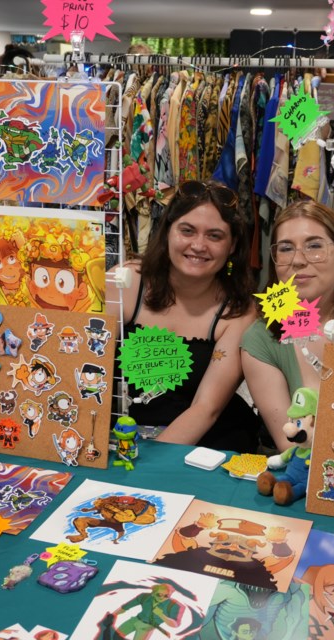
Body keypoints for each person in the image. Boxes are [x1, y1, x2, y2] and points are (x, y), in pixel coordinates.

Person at [116, 180, 260, 453]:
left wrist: (148, 468)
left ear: (232, 246)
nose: (198, 245)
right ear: (168, 231)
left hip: (208, 442)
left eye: (215, 236)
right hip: (123, 438)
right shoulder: (128, 281)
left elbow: (206, 409)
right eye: (187, 230)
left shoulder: (238, 311)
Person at [241, 201, 334, 451]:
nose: (298, 260)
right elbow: (292, 448)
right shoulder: (262, 339)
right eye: (285, 249)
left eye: (314, 246)